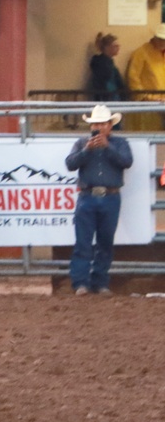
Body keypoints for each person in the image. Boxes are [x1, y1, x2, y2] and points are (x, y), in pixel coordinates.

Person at [65, 104, 133, 296]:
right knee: (83, 243)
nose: (100, 127)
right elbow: (70, 164)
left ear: (110, 125)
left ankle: (98, 282)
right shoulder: (82, 143)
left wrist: (107, 147)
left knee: (105, 242)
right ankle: (81, 283)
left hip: (109, 196)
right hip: (88, 196)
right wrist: (87, 150)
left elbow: (126, 162)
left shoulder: (120, 144)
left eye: (103, 123)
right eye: (97, 123)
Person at [125, 24, 165, 131]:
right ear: (155, 38)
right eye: (161, 39)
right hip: (148, 104)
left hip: (162, 102)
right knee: (149, 134)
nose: (163, 42)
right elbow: (133, 78)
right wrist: (145, 96)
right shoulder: (141, 53)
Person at [90, 32, 126, 102]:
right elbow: (104, 83)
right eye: (115, 46)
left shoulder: (109, 63)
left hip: (113, 97)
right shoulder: (101, 64)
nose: (118, 48)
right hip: (107, 99)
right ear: (107, 47)